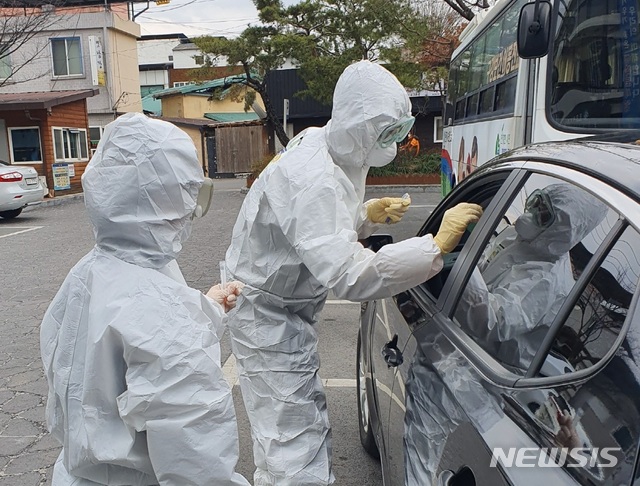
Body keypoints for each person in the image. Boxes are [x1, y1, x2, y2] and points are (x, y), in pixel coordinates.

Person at [224, 60, 483, 485]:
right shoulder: (312, 177)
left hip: (281, 311)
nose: (395, 142)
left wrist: (364, 215)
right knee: (293, 444)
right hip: (267, 318)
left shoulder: (329, 148)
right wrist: (432, 247)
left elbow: (311, 232)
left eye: (399, 131)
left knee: (291, 431)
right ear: (360, 125)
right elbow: (348, 273)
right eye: (387, 132)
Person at [40, 113, 250, 486]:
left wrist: (208, 307)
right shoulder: (157, 304)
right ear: (171, 196)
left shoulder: (88, 274)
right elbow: (196, 458)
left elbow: (128, 344)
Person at [456, 183, 608, 369]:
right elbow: (486, 267)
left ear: (562, 228)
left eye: (544, 214)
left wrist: (461, 262)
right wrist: (469, 240)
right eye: (537, 203)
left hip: (491, 369)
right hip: (468, 348)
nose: (532, 213)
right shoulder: (522, 239)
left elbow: (492, 322)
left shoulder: (548, 279)